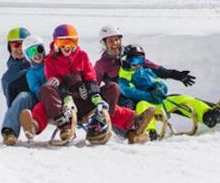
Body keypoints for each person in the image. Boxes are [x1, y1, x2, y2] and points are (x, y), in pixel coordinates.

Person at [20, 24, 156, 145]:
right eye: (63, 42)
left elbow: (91, 76)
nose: (67, 46)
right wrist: (66, 96)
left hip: (84, 99)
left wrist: (93, 93)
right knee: (45, 95)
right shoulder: (51, 60)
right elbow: (53, 81)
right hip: (62, 107)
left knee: (112, 88)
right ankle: (39, 126)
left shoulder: (82, 56)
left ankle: (120, 122)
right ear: (56, 43)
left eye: (71, 41)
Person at [118, 43, 220, 134]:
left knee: (182, 98)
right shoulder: (124, 77)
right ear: (125, 61)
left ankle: (207, 115)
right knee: (143, 106)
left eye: (141, 61)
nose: (138, 65)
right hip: (146, 104)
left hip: (161, 101)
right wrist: (149, 96)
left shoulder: (146, 70)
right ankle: (149, 131)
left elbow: (158, 81)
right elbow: (130, 92)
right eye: (134, 61)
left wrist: (160, 88)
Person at [94, 25, 198, 110]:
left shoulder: (131, 55)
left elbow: (155, 68)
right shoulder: (101, 64)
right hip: (123, 99)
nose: (115, 43)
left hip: (144, 92)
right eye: (110, 41)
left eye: (116, 39)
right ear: (105, 43)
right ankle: (135, 131)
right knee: (129, 106)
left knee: (170, 100)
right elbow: (94, 85)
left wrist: (176, 75)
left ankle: (206, 113)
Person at [0, 26, 33, 145]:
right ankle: (9, 132)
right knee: (23, 97)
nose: (20, 49)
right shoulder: (7, 78)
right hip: (27, 105)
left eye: (23, 45)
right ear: (10, 47)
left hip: (44, 100)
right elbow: (11, 104)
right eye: (16, 45)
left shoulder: (38, 63)